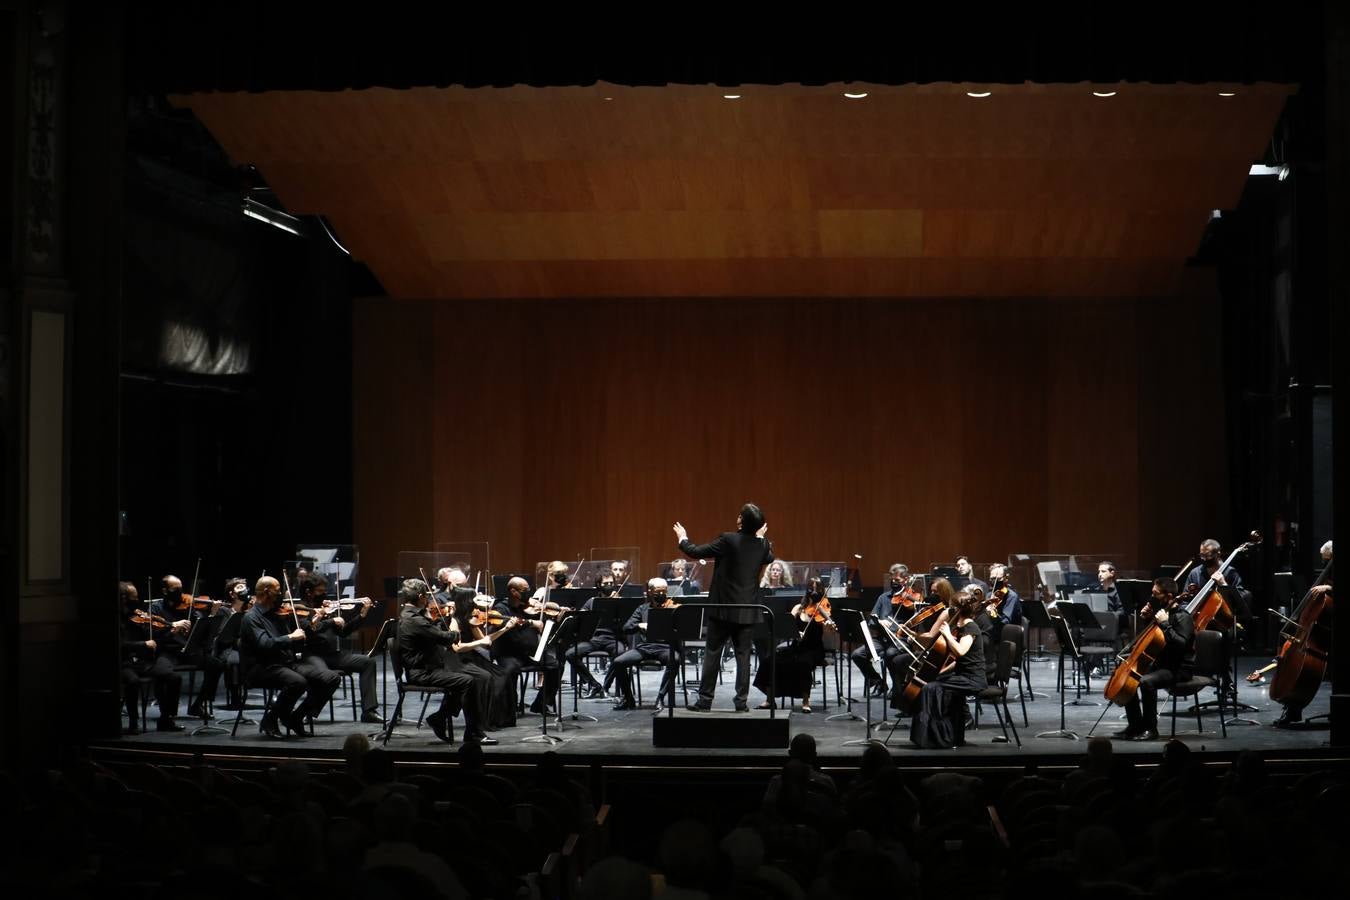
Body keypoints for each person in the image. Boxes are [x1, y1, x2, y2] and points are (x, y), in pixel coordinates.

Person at [675, 502, 773, 712]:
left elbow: (695, 551)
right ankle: (741, 703)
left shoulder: (728, 539)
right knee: (744, 658)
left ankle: (704, 701)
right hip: (747, 611)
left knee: (712, 653)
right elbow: (768, 557)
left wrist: (683, 537)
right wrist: (761, 537)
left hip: (722, 609)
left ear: (740, 521)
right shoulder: (763, 544)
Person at [396, 578, 496, 745]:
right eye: (426, 596)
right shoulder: (414, 620)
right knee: (468, 682)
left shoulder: (411, 616)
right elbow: (445, 638)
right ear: (421, 597)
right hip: (423, 672)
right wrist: (455, 631)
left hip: (428, 668)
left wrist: (435, 620)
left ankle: (439, 718)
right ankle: (473, 733)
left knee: (464, 679)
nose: (428, 599)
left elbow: (431, 633)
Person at [239, 575, 341, 738]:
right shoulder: (251, 618)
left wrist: (313, 622)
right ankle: (270, 719)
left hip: (284, 663)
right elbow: (264, 644)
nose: (282, 594)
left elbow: (303, 631)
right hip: (261, 667)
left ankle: (295, 718)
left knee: (331, 678)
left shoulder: (278, 613)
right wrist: (291, 637)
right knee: (297, 682)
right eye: (278, 591)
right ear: (267, 593)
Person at [296, 573, 382, 723]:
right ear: (309, 591)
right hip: (311, 655)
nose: (323, 594)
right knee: (326, 677)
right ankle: (307, 712)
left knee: (367, 662)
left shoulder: (325, 609)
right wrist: (329, 620)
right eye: (320, 591)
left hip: (332, 655)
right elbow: (309, 629)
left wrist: (362, 615)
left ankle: (369, 711)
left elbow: (343, 632)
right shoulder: (300, 609)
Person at [1115, 578, 1195, 742]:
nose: (1151, 597)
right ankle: (1135, 725)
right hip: (1162, 665)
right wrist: (1147, 619)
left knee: (1146, 682)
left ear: (1169, 596)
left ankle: (1151, 729)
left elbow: (1182, 644)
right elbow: (1153, 640)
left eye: (1155, 594)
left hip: (1179, 668)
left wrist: (1165, 624)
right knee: (1131, 676)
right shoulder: (1161, 613)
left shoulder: (1182, 617)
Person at [909, 588, 987, 749]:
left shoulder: (970, 627)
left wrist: (947, 634)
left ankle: (935, 738)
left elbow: (960, 651)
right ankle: (950, 736)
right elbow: (958, 661)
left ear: (958, 609)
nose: (949, 610)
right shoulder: (962, 626)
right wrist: (939, 673)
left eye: (951, 607)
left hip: (972, 679)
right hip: (962, 675)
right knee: (933, 682)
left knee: (930, 688)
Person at [755, 577, 831, 712]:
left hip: (814, 649)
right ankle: (769, 699)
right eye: (811, 588)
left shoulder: (822, 608)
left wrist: (828, 624)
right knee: (769, 661)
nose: (814, 592)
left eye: (817, 589)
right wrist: (795, 633)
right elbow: (787, 626)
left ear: (822, 591)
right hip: (796, 647)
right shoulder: (798, 608)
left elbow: (828, 630)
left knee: (803, 663)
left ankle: (805, 701)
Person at [118, 581, 184, 733]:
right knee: (132, 681)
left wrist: (169, 627)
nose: (137, 602)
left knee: (172, 677)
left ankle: (166, 719)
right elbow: (120, 645)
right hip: (125, 663)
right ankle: (133, 722)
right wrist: (143, 644)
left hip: (143, 662)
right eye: (133, 598)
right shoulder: (117, 619)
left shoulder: (138, 616)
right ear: (122, 599)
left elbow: (155, 636)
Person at [492, 576, 563, 715]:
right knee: (510, 670)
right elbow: (504, 623)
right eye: (525, 590)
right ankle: (511, 709)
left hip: (530, 652)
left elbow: (548, 618)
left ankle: (540, 704)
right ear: (513, 592)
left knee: (556, 666)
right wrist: (530, 622)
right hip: (509, 653)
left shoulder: (531, 608)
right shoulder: (501, 608)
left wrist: (557, 615)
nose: (529, 594)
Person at [610, 578, 682, 709]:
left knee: (675, 660)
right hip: (644, 648)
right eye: (658, 591)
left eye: (664, 591)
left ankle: (660, 698)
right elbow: (626, 628)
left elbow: (683, 628)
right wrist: (639, 625)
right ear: (650, 592)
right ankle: (628, 699)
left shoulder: (673, 608)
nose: (661, 594)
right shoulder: (642, 609)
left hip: (665, 648)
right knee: (618, 662)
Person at [850, 564, 917, 697]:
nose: (894, 583)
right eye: (892, 580)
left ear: (906, 579)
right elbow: (872, 619)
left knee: (890, 654)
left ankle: (898, 689)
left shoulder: (911, 598)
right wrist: (880, 621)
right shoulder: (883, 597)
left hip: (900, 640)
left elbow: (917, 621)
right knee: (857, 654)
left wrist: (912, 602)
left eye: (897, 581)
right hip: (881, 638)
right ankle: (878, 681)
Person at [565, 573, 624, 699]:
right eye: (605, 583)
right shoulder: (592, 601)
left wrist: (618, 604)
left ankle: (606, 687)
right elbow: (581, 617)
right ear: (598, 585)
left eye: (611, 583)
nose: (609, 586)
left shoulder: (619, 601)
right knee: (570, 654)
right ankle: (594, 684)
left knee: (620, 655)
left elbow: (627, 622)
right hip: (594, 639)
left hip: (612, 638)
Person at [985, 563, 1022, 642]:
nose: (994, 582)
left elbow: (1005, 621)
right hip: (991, 632)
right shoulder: (989, 594)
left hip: (1006, 636)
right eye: (992, 579)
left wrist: (994, 615)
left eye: (998, 579)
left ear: (1006, 578)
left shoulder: (1011, 596)